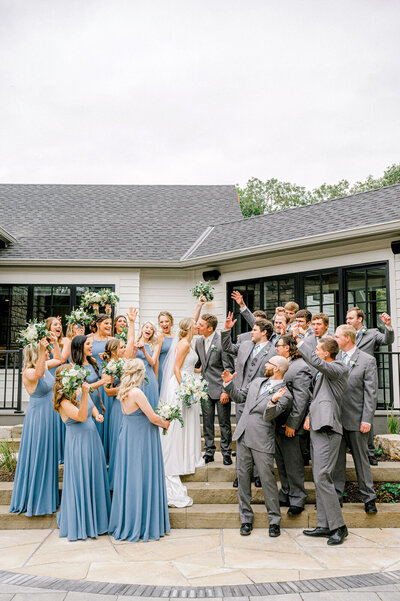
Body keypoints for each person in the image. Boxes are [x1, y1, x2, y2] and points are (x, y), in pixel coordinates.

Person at [222, 355, 292, 538]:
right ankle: (245, 519)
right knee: (243, 478)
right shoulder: (257, 381)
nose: (265, 365)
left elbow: (269, 416)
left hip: (262, 440)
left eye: (268, 363)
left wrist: (273, 401)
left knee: (268, 481)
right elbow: (239, 397)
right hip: (243, 435)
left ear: (276, 368)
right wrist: (229, 385)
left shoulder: (285, 393)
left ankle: (274, 521)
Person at [292, 325, 349, 545]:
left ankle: (339, 526)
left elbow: (315, 362)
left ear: (326, 353)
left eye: (318, 348)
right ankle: (325, 525)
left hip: (328, 428)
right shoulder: (324, 370)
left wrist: (299, 340)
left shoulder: (338, 368)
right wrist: (308, 415)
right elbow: (317, 398)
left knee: (324, 477)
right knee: (318, 478)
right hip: (317, 425)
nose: (315, 350)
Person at [109, 359, 171, 542]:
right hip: (141, 439)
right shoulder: (137, 392)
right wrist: (166, 422)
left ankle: (129, 520)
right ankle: (144, 523)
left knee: (131, 477)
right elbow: (152, 417)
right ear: (139, 373)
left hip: (129, 436)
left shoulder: (124, 391)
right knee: (142, 476)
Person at [54, 364, 110, 540]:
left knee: (95, 476)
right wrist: (85, 394)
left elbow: (90, 407)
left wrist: (96, 415)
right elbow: (79, 416)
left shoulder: (78, 390)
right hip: (78, 443)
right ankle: (84, 522)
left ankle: (99, 521)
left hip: (92, 439)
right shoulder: (63, 402)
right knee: (82, 477)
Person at [222, 313, 278, 487]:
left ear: (265, 332)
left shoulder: (274, 351)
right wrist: (226, 330)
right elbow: (227, 347)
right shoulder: (245, 345)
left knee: (259, 439)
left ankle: (259, 474)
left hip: (261, 400)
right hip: (241, 397)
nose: (251, 332)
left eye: (254, 330)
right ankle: (242, 475)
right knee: (241, 438)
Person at [10, 335, 61, 516]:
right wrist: (41, 350)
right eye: (44, 352)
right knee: (38, 452)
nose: (47, 353)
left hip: (50, 415)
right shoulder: (28, 372)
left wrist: (54, 341)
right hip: (38, 417)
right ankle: (35, 499)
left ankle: (47, 497)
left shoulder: (45, 366)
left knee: (48, 453)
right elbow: (38, 375)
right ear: (35, 354)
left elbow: (61, 358)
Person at [333, 324, 378, 513]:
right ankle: (336, 497)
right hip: (335, 420)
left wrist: (366, 419)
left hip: (357, 420)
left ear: (347, 338)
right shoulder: (334, 359)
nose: (334, 340)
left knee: (361, 460)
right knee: (336, 462)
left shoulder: (367, 360)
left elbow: (371, 393)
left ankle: (369, 498)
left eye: (337, 337)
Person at [160, 318, 205, 507]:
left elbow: (189, 366)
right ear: (190, 328)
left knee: (188, 422)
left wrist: (197, 373)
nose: (198, 326)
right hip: (181, 386)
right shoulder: (184, 343)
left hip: (189, 382)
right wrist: (186, 387)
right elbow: (176, 368)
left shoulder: (190, 342)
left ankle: (189, 455)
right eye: (196, 324)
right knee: (179, 424)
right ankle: (178, 457)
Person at [346, 307, 395, 465]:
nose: (348, 321)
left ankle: (370, 453)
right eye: (347, 318)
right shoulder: (345, 333)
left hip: (365, 377)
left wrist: (388, 326)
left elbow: (387, 340)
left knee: (366, 415)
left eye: (351, 318)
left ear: (360, 319)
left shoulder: (372, 333)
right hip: (349, 380)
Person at [275, 335, 312, 515]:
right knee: (281, 462)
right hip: (278, 423)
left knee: (294, 464)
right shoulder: (283, 365)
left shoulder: (301, 368)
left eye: (279, 345)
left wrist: (292, 424)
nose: (276, 348)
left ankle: (298, 498)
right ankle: (286, 492)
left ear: (289, 348)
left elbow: (302, 399)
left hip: (291, 426)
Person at [195, 313, 232, 465]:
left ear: (210, 329)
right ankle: (209, 452)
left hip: (220, 388)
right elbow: (198, 364)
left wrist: (226, 390)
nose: (198, 327)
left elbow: (228, 367)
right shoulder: (198, 342)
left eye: (201, 325)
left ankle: (226, 453)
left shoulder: (222, 342)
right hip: (205, 389)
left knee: (224, 423)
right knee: (207, 422)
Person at [70, 335, 109, 443]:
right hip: (84, 403)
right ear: (79, 347)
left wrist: (101, 402)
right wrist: (103, 381)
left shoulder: (92, 361)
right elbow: (82, 388)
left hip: (96, 401)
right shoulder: (74, 367)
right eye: (88, 344)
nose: (91, 346)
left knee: (98, 431)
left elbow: (95, 386)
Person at [46, 316, 72, 464]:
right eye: (55, 324)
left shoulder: (65, 342)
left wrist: (55, 343)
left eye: (60, 324)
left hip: (60, 380)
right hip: (46, 379)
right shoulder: (43, 343)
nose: (59, 327)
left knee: (61, 415)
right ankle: (52, 452)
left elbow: (61, 359)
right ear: (48, 327)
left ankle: (63, 452)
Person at [87, 314, 113, 460]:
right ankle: (95, 453)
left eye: (110, 323)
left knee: (108, 417)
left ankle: (107, 453)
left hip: (109, 381)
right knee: (96, 416)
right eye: (106, 323)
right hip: (94, 384)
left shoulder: (112, 340)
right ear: (97, 324)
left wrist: (108, 358)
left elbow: (119, 358)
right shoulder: (88, 339)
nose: (109, 326)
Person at [102, 337, 126, 490]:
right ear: (113, 351)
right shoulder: (107, 368)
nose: (124, 349)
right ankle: (117, 479)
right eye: (121, 347)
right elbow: (108, 391)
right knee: (119, 440)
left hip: (130, 404)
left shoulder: (126, 363)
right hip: (118, 406)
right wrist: (124, 388)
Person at [125, 311, 160, 409]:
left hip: (149, 374)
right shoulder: (135, 342)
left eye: (151, 329)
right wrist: (135, 350)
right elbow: (130, 361)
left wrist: (144, 350)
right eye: (147, 327)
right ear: (142, 329)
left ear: (153, 333)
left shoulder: (155, 345)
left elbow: (153, 363)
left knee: (150, 403)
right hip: (137, 375)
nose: (149, 330)